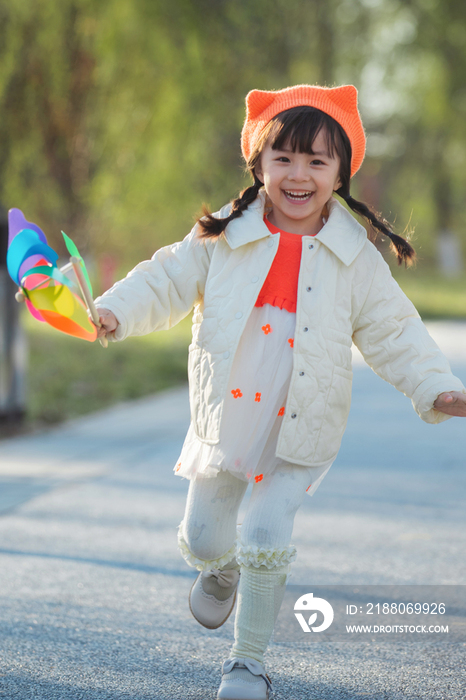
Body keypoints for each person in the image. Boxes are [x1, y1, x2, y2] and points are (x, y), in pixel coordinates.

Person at [92, 84, 466, 700]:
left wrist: (438, 388)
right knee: (204, 537)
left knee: (266, 531)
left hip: (303, 424)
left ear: (341, 172)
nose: (299, 175)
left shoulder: (355, 258)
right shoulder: (222, 236)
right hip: (229, 419)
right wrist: (111, 312)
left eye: (317, 161)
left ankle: (247, 664)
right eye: (284, 158)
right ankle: (219, 569)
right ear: (258, 164)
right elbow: (163, 279)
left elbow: (395, 331)